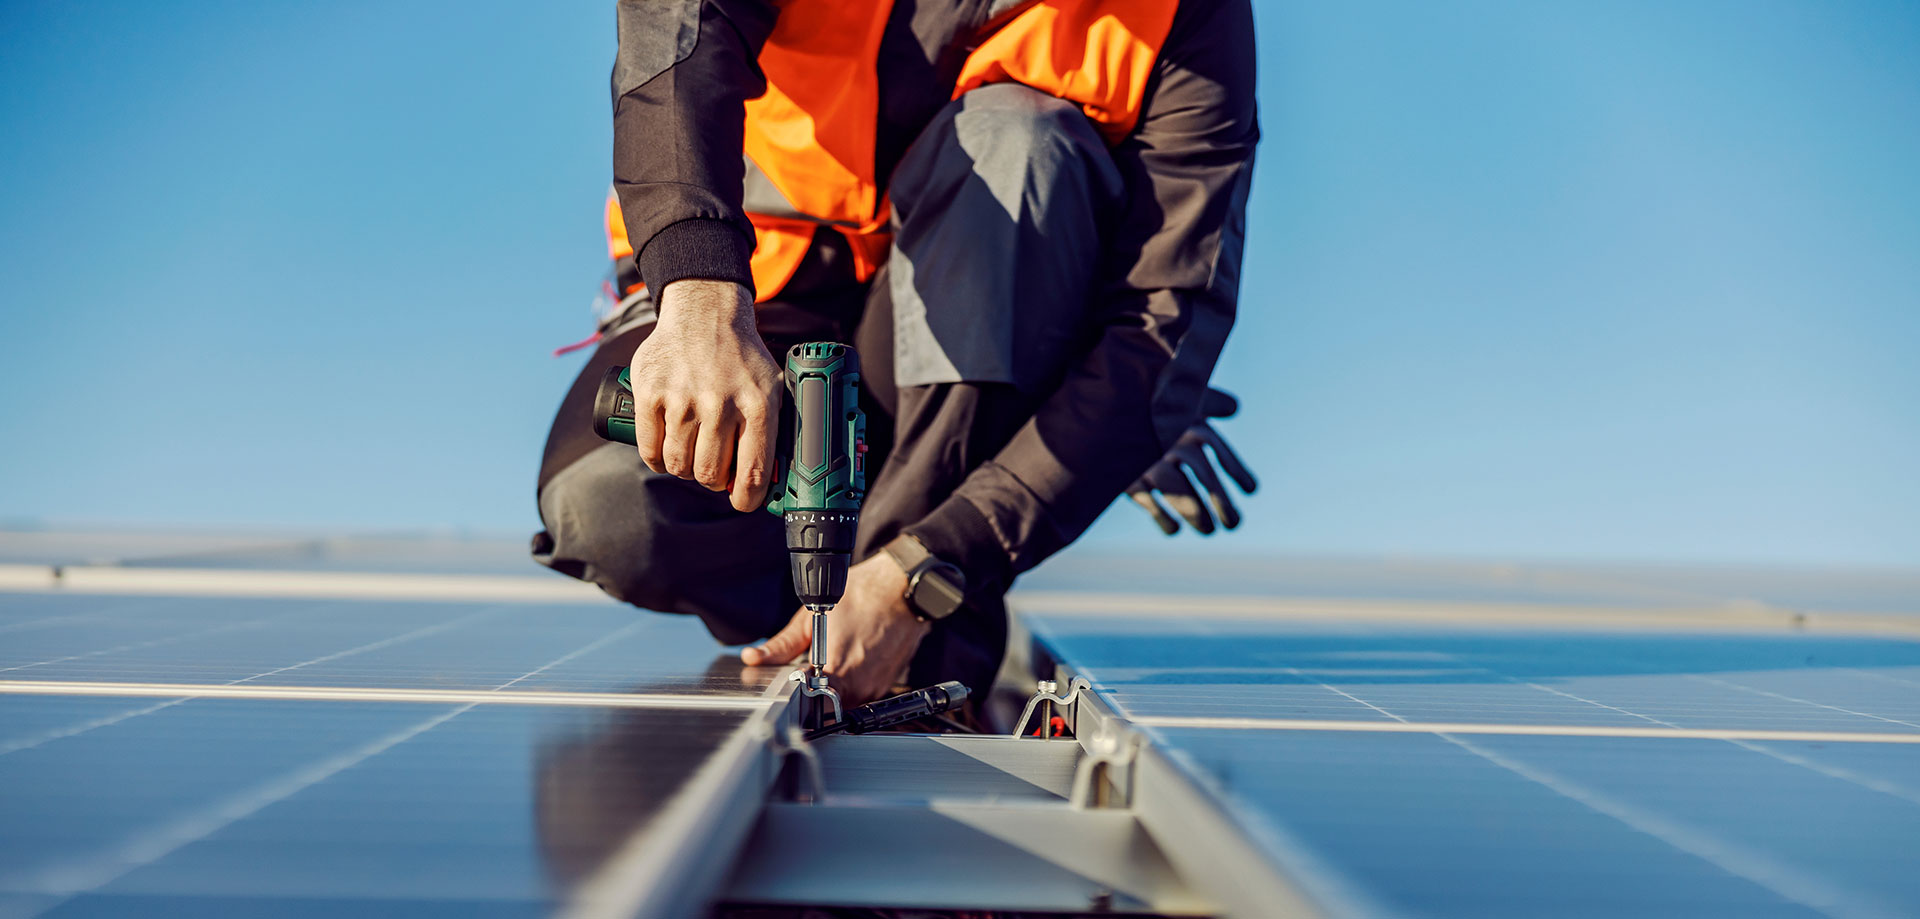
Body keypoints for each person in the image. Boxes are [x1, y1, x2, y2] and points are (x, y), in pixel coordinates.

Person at [532, 0, 1260, 707]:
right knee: (608, 506)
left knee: (1014, 145)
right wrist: (697, 294)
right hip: (760, 288)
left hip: (970, 373)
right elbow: (676, 25)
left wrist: (934, 562)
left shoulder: (1185, 11)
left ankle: (921, 645)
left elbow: (1160, 326)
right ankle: (828, 614)